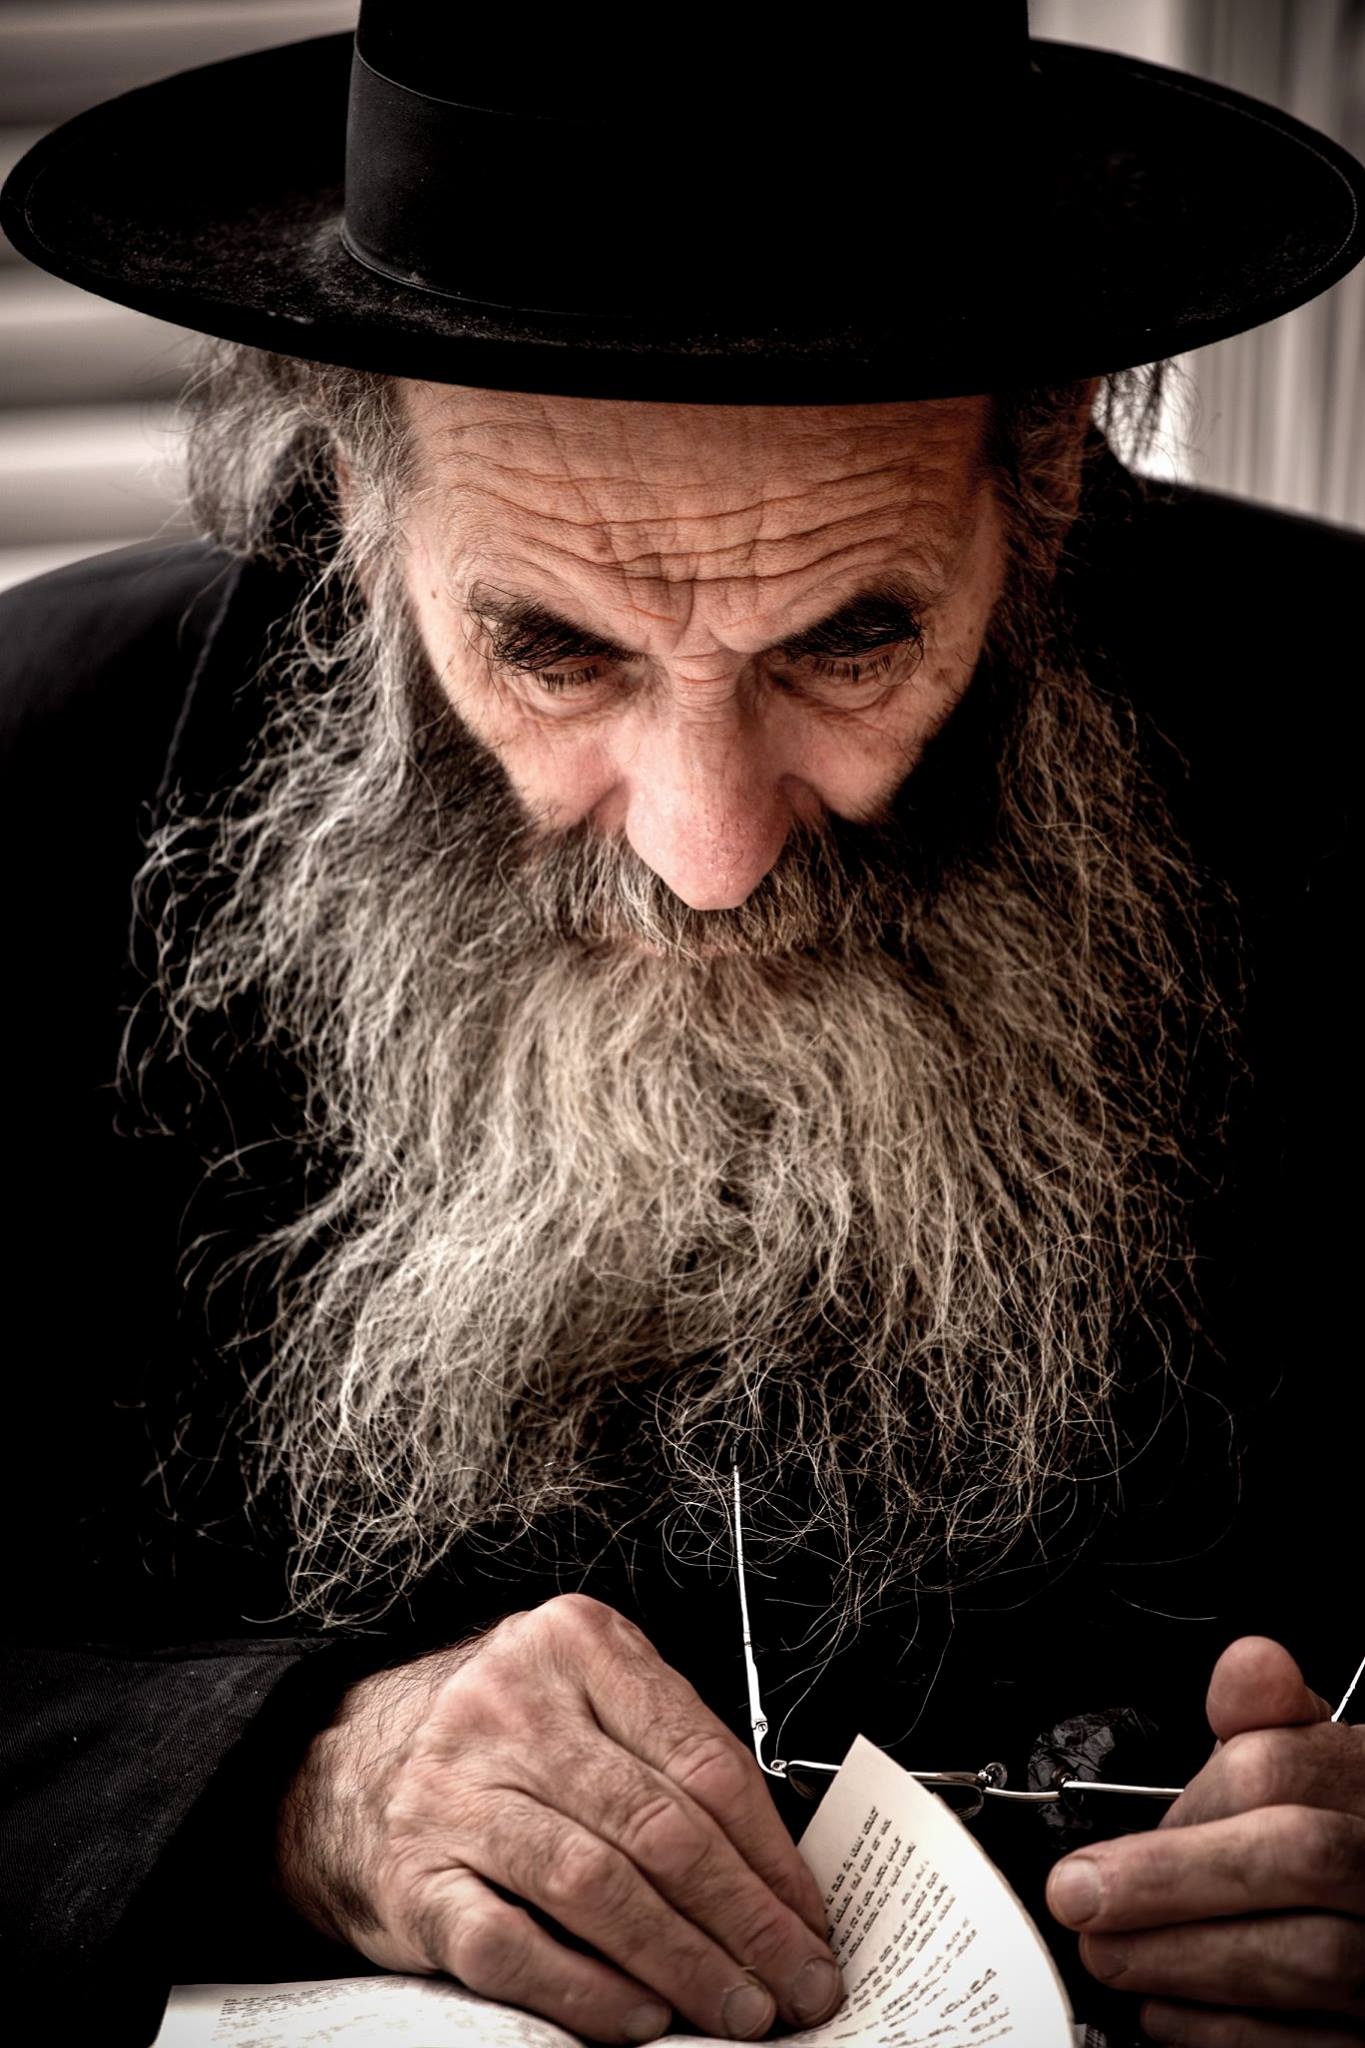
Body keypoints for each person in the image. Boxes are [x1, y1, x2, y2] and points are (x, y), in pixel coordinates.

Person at [2, 8, 1363, 2046]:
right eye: (551, 645)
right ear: (364, 500)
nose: (707, 845)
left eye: (852, 637)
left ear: (1049, 464)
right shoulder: (35, 767)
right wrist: (287, 1777)